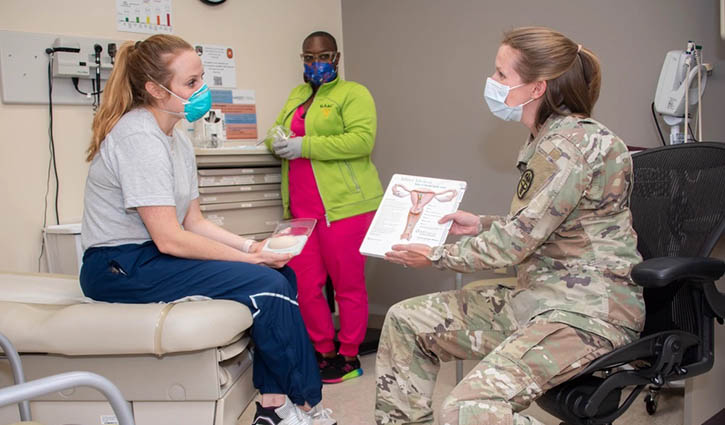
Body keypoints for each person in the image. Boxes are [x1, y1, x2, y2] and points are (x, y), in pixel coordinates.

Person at [376, 26, 645, 425]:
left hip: (585, 313)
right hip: (538, 298)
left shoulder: (568, 146)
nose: (493, 82)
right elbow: (553, 227)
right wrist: (482, 224)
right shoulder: (546, 139)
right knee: (407, 321)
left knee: (470, 409)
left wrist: (435, 254)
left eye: (502, 75)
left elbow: (513, 246)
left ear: (537, 88)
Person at [79, 34, 335, 425]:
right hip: (117, 265)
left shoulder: (176, 139)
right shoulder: (138, 137)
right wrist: (251, 261)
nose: (203, 90)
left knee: (279, 273)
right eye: (190, 83)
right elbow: (170, 237)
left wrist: (254, 247)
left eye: (201, 79)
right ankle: (303, 407)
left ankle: (273, 406)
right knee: (267, 283)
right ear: (155, 89)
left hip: (150, 255)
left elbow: (194, 222)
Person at [265, 31, 383, 383]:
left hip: (344, 207)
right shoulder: (297, 95)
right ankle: (322, 349)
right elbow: (279, 129)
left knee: (347, 284)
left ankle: (348, 354)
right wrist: (278, 141)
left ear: (336, 58)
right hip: (301, 208)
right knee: (303, 282)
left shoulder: (353, 93)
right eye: (308, 57)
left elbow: (362, 141)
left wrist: (306, 146)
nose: (315, 64)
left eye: (323, 56)